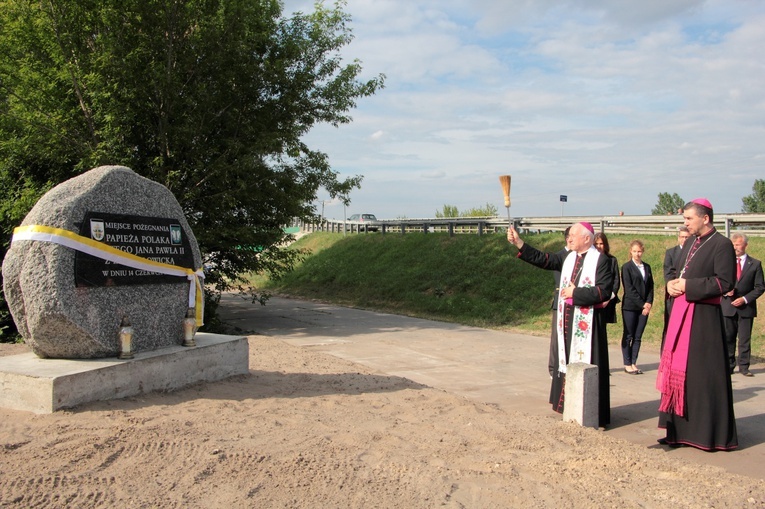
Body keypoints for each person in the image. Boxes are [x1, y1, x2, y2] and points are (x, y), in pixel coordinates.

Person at [508, 222, 613, 427]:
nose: (569, 239)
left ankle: (591, 410)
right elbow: (543, 259)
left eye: (573, 235)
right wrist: (519, 243)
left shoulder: (601, 261)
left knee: (587, 362)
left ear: (587, 238)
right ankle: (566, 404)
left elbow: (604, 291)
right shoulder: (568, 257)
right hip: (566, 320)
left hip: (588, 324)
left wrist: (576, 293)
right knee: (565, 361)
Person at [658, 198, 737, 451]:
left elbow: (725, 283)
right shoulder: (690, 242)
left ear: (705, 218)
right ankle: (679, 432)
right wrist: (671, 284)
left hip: (704, 322)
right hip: (681, 316)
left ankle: (706, 435)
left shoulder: (722, 245)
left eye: (688, 218)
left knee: (703, 378)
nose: (685, 223)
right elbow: (680, 275)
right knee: (681, 376)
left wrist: (687, 287)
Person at [721, 233, 765, 377]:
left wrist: (745, 299)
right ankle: (729, 365)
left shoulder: (755, 264)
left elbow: (760, 287)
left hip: (746, 307)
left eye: (738, 244)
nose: (735, 247)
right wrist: (725, 292)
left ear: (745, 245)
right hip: (728, 306)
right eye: (733, 244)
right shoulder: (725, 263)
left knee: (745, 338)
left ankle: (744, 366)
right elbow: (717, 282)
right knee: (728, 337)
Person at [620, 240, 654, 374]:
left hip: (644, 308)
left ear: (643, 251)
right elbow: (629, 289)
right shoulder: (626, 267)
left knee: (638, 336)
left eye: (639, 251)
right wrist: (642, 304)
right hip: (630, 306)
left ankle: (634, 362)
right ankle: (627, 362)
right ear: (630, 251)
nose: (637, 254)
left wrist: (649, 303)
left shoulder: (647, 267)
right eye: (634, 251)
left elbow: (650, 287)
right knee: (628, 335)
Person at [548, 227, 572, 377]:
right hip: (562, 300)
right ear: (567, 238)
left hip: (576, 301)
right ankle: (553, 368)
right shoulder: (560, 256)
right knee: (557, 337)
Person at [662, 227, 691, 349]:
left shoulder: (693, 253)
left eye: (687, 237)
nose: (684, 239)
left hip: (688, 292)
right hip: (674, 293)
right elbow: (668, 273)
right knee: (670, 325)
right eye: (682, 237)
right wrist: (675, 286)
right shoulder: (671, 252)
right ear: (678, 238)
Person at [594, 232, 620, 325]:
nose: (599, 246)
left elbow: (616, 280)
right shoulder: (590, 259)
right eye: (596, 244)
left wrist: (609, 298)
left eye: (601, 244)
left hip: (608, 299)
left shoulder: (612, 260)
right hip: (593, 297)